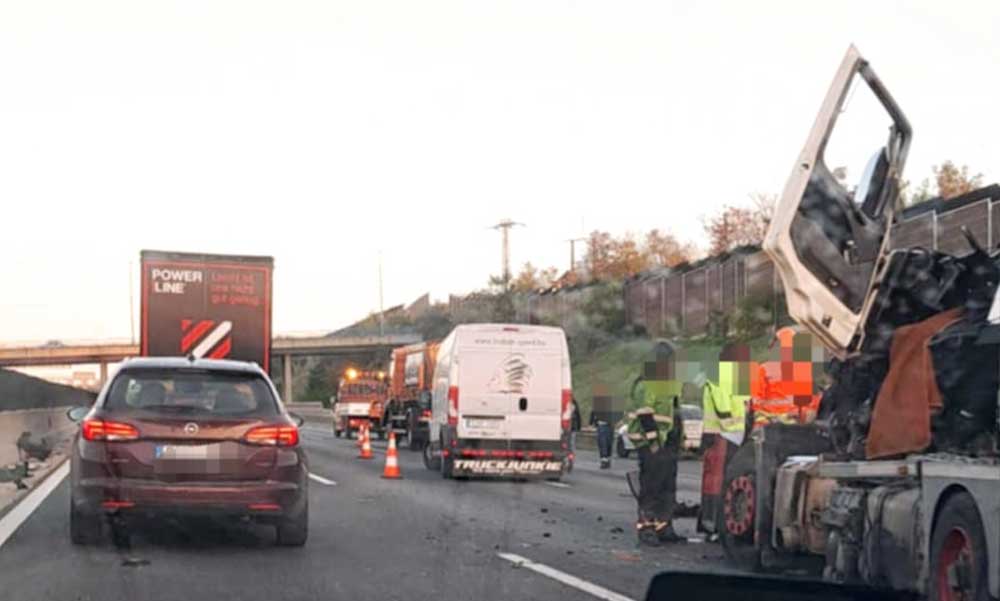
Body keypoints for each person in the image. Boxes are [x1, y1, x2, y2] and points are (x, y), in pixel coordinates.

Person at [626, 340, 684, 545]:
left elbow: (674, 414)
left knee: (667, 486)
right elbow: (645, 415)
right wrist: (653, 444)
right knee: (651, 486)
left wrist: (677, 439)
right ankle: (646, 527)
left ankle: (664, 526)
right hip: (649, 443)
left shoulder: (668, 384)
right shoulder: (646, 383)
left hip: (666, 442)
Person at [697, 344, 749, 539]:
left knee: (715, 484)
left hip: (722, 435)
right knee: (724, 484)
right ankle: (718, 526)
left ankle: (712, 525)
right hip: (728, 436)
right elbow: (725, 408)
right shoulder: (736, 377)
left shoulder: (720, 375)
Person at [590, 396, 614, 469]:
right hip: (601, 426)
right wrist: (591, 424)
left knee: (608, 443)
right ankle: (604, 460)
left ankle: (607, 460)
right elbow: (593, 414)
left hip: (608, 426)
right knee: (603, 443)